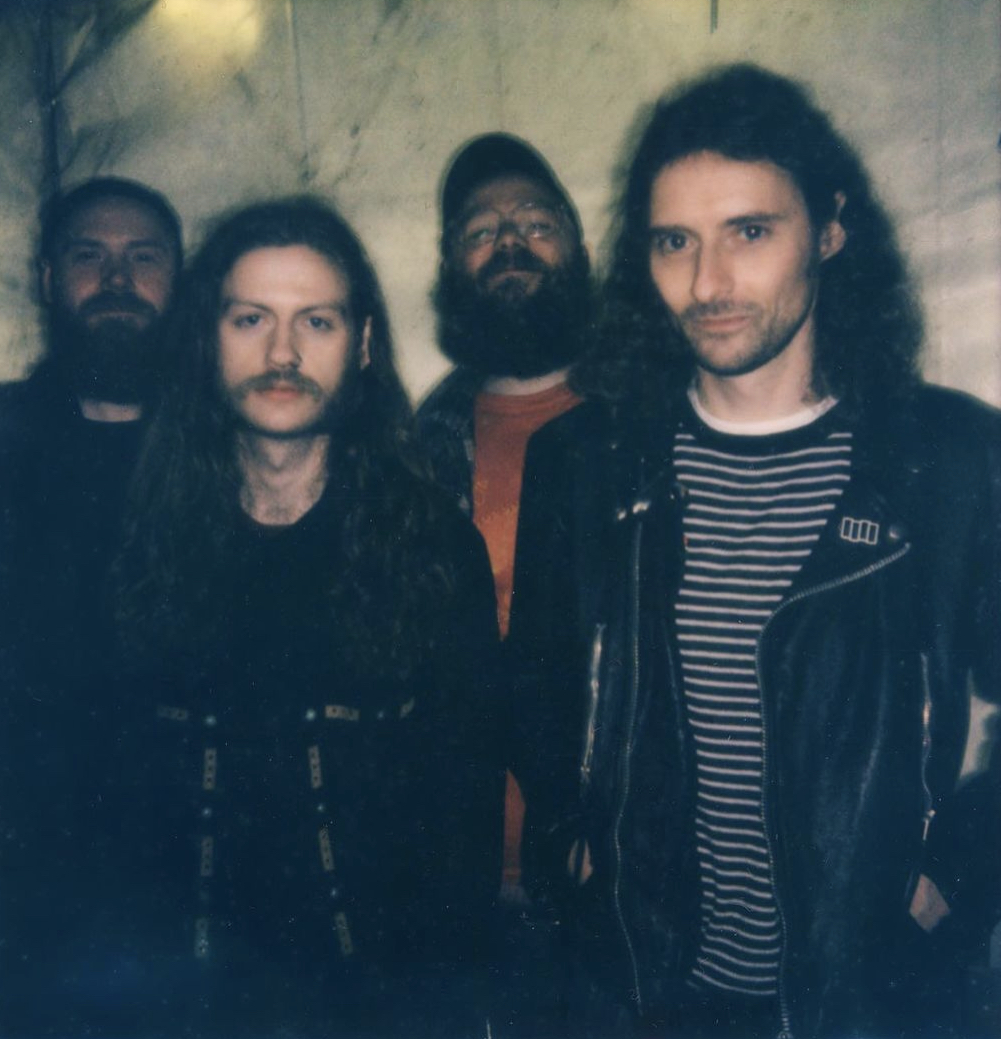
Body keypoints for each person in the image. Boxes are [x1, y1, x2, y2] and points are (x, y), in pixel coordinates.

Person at [510, 64, 1001, 1039]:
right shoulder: (584, 463)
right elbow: (536, 687)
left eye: (748, 232)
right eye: (673, 242)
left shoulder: (947, 461)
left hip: (863, 1000)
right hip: (650, 993)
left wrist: (955, 874)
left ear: (829, 230)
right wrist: (571, 842)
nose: (707, 284)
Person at [113, 197, 501, 1038]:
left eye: (315, 321)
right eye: (250, 318)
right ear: (207, 337)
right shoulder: (135, 542)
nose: (282, 353)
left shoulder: (433, 552)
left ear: (361, 344)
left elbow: (461, 838)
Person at [417, 134, 592, 1036]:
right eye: (481, 230)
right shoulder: (412, 447)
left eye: (534, 221)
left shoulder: (656, 418)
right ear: (451, 265)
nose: (509, 241)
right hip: (457, 886)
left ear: (577, 247)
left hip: (625, 882)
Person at [0, 177, 182, 1036]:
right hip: (27, 891)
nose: (117, 280)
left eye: (143, 258)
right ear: (47, 279)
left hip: (196, 880)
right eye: (89, 257)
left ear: (180, 281)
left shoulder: (231, 450)